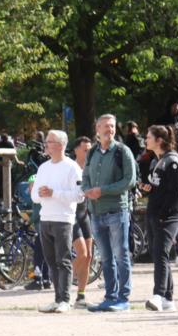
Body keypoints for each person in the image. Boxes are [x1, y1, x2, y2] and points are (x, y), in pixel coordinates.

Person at [83, 114, 137, 312]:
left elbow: (129, 181)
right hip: (96, 212)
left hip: (116, 211)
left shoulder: (123, 151)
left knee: (121, 255)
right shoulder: (92, 153)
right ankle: (110, 297)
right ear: (97, 129)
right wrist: (87, 190)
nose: (110, 129)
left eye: (112, 126)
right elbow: (85, 176)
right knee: (105, 258)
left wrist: (102, 191)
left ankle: (123, 298)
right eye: (105, 126)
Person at [30, 130, 83, 313]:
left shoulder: (72, 167)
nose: (46, 144)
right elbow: (34, 196)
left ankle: (65, 300)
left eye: (49, 141)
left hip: (63, 219)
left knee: (63, 260)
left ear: (60, 145)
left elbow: (79, 195)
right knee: (51, 261)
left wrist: (54, 193)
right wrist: (41, 193)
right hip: (45, 219)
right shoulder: (43, 167)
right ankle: (57, 298)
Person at [140, 125, 178, 312]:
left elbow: (175, 193)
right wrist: (147, 188)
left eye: (149, 137)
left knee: (160, 252)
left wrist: (163, 214)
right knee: (159, 253)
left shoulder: (172, 161)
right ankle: (168, 297)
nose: (146, 140)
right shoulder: (156, 161)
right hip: (154, 213)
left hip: (168, 216)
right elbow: (159, 187)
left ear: (159, 140)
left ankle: (158, 294)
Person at [71, 136, 95, 307]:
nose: (89, 153)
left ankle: (81, 296)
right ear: (76, 150)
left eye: (90, 150)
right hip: (71, 214)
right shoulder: (70, 168)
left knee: (89, 256)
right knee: (82, 253)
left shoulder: (91, 168)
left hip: (84, 214)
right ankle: (63, 279)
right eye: (85, 150)